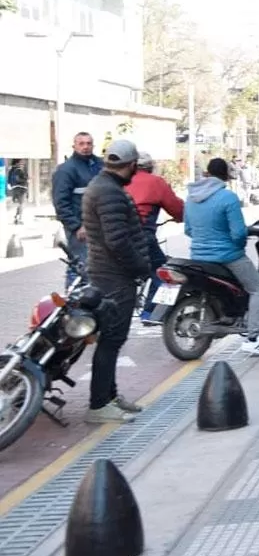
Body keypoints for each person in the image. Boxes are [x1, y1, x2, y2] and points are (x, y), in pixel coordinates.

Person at [80, 140, 149, 424]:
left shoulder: (102, 186)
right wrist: (140, 267)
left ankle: (109, 396)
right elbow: (118, 241)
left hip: (106, 272)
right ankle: (99, 404)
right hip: (114, 276)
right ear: (131, 165)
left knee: (112, 339)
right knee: (112, 339)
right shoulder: (110, 193)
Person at [185, 158, 259, 356]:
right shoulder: (228, 197)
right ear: (225, 175)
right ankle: (253, 337)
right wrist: (238, 246)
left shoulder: (191, 198)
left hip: (198, 256)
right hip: (227, 256)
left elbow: (189, 230)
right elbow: (239, 233)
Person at [126, 153, 185, 324]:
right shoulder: (156, 182)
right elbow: (177, 208)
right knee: (161, 271)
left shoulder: (120, 180)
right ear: (150, 166)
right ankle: (150, 313)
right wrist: (179, 217)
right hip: (142, 235)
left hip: (117, 235)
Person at [52, 132, 104, 287]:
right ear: (74, 146)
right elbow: (60, 203)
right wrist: (76, 226)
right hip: (80, 228)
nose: (85, 147)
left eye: (88, 143)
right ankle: (73, 302)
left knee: (98, 269)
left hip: (99, 226)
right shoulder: (66, 170)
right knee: (80, 266)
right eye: (81, 143)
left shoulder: (100, 165)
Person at [7, 159, 28, 225]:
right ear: (17, 163)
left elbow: (9, 181)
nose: (22, 163)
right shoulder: (19, 170)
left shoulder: (11, 170)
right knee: (21, 204)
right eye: (21, 162)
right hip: (21, 188)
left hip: (14, 188)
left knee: (18, 203)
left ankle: (16, 217)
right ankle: (19, 219)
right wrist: (26, 179)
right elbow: (18, 179)